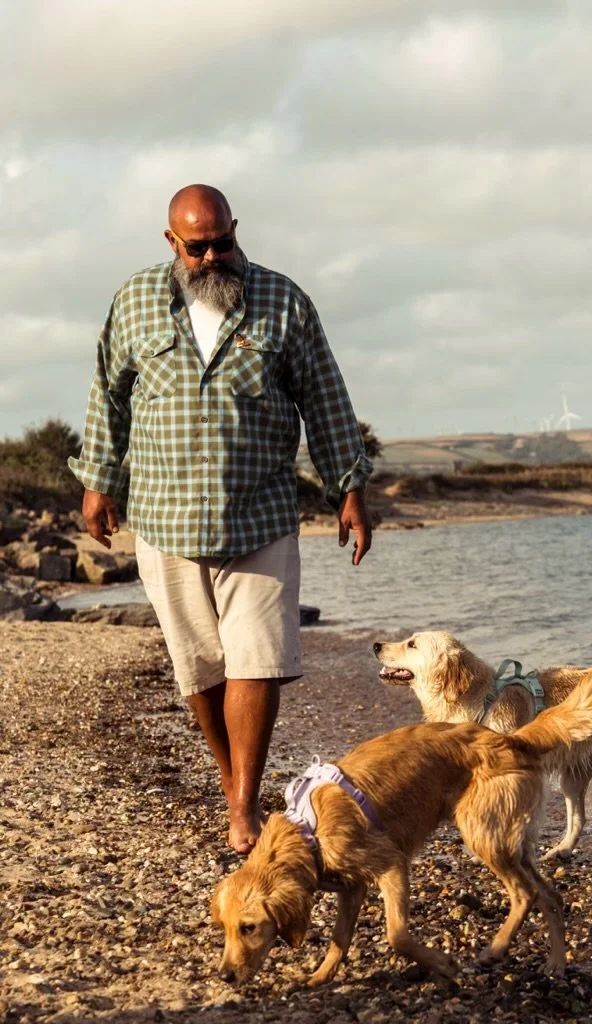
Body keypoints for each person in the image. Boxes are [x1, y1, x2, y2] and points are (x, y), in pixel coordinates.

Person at [70, 184, 373, 854]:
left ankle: (243, 806)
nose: (212, 258)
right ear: (171, 242)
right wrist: (98, 481)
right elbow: (108, 394)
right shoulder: (135, 300)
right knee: (202, 669)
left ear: (236, 229)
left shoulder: (283, 302)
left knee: (256, 663)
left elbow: (324, 394)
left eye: (222, 242)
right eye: (196, 247)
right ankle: (229, 772)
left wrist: (347, 487)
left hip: (259, 514)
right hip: (163, 516)